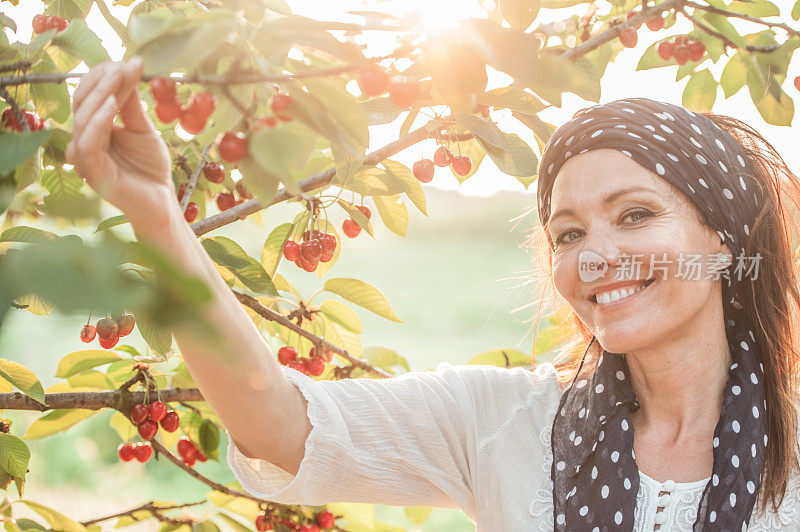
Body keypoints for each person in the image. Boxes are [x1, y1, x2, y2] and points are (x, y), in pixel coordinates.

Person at [67, 58, 800, 531]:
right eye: (568, 234)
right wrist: (157, 215)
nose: (596, 257)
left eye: (635, 215)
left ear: (723, 240)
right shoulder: (505, 424)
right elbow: (282, 428)